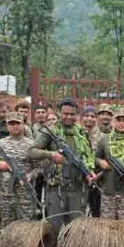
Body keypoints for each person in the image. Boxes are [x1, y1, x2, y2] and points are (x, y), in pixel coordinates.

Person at [28, 98, 98, 235]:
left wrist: (90, 171)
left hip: (78, 187)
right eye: (65, 114)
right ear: (59, 113)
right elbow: (31, 151)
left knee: (76, 230)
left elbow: (88, 157)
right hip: (57, 188)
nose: (69, 117)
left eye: (72, 114)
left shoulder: (82, 133)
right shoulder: (51, 132)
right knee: (54, 229)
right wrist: (51, 155)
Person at [0, 112, 37, 228]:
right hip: (6, 193)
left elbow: (41, 167)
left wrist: (31, 175)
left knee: (27, 225)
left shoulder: (32, 145)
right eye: (11, 124)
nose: (14, 126)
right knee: (7, 225)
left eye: (17, 123)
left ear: (23, 125)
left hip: (25, 192)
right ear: (7, 126)